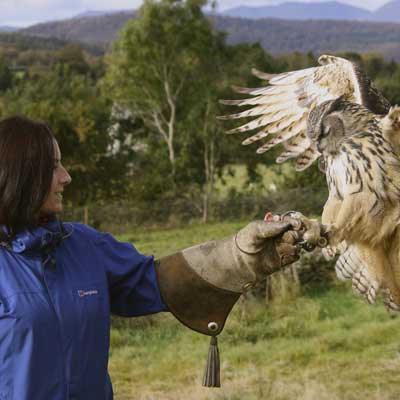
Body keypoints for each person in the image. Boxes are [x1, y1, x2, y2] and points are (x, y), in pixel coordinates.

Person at [0, 116, 323, 399]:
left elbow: (158, 282)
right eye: (54, 166)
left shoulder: (84, 246)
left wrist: (240, 255)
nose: (66, 177)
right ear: (21, 174)